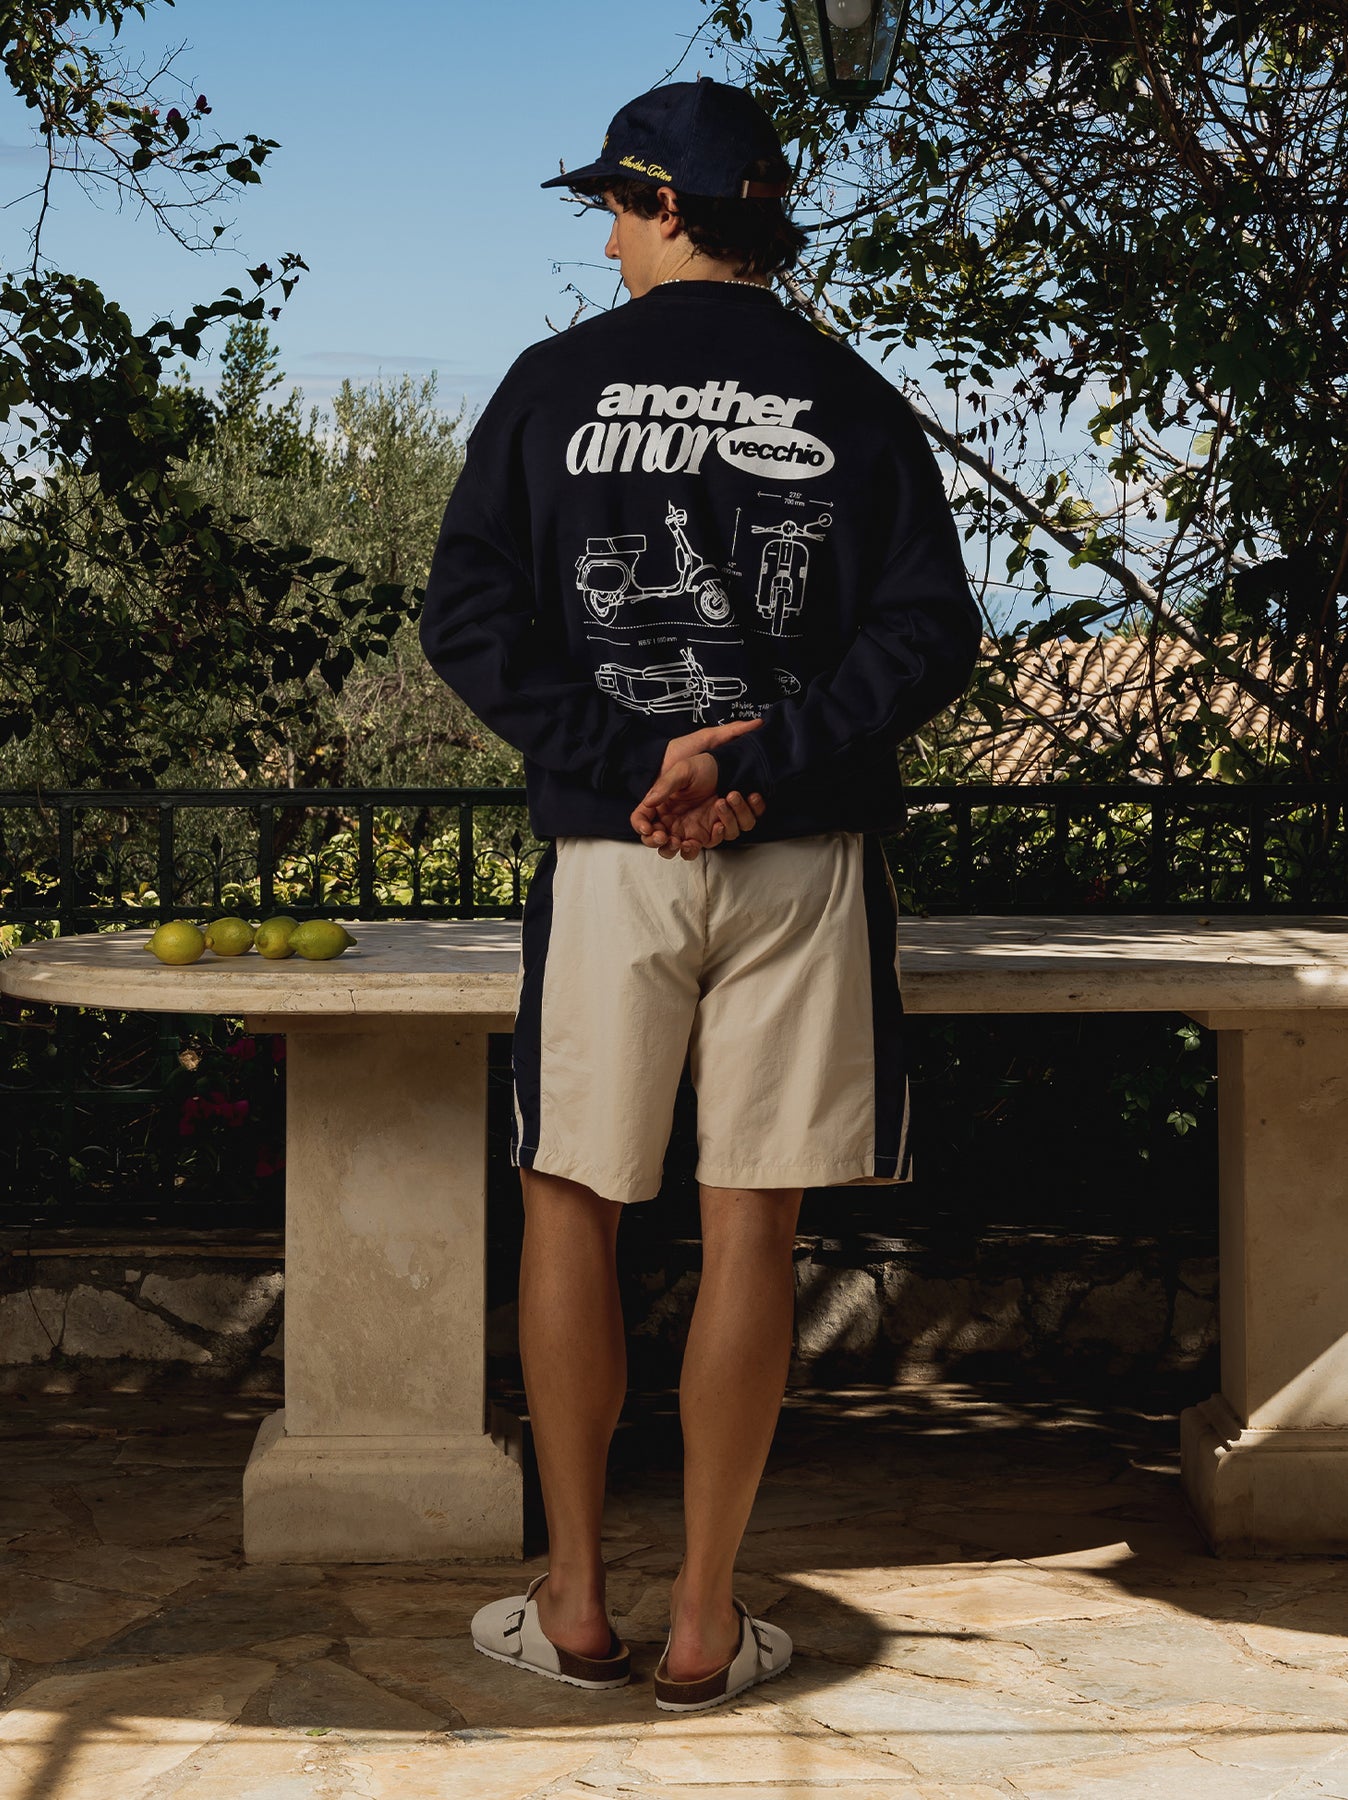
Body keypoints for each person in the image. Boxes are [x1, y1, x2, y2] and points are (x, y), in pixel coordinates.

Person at [418, 76, 980, 1711]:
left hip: (616, 858)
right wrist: (764, 762)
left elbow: (467, 618)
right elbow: (929, 634)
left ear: (667, 204)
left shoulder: (550, 387)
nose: (606, 244)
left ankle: (577, 1603)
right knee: (753, 1222)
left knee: (571, 1198)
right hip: (800, 858)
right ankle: (708, 1621)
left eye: (613, 209)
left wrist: (632, 763)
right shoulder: (852, 395)